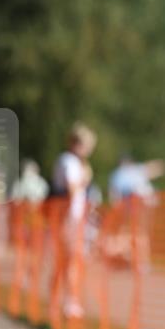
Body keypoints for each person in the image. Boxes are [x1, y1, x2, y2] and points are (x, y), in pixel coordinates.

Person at [51, 122, 97, 318]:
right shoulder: (69, 161)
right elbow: (71, 189)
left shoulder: (72, 161)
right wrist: (85, 180)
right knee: (70, 261)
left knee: (67, 262)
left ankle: (58, 301)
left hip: (71, 218)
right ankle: (69, 302)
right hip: (68, 218)